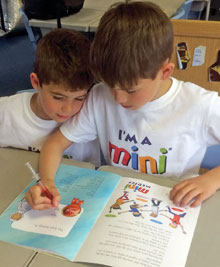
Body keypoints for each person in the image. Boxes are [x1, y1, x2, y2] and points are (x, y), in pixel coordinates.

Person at [26, 1, 220, 211]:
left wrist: (211, 180)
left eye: (130, 90)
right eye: (110, 85)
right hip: (116, 203)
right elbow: (56, 143)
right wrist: (46, 181)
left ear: (165, 72)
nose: (118, 98)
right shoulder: (100, 97)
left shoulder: (200, 104)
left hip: (174, 205)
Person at [0, 28, 100, 166]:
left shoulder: (91, 111)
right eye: (58, 97)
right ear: (36, 82)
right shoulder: (6, 113)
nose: (68, 109)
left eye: (79, 98)